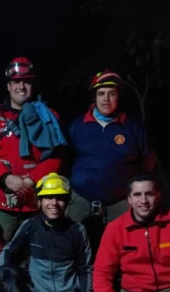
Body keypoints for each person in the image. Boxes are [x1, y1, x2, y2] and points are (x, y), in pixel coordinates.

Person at [0, 57, 64, 243]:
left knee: (36, 257)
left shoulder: (48, 115)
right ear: (8, 86)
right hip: (1, 204)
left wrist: (31, 180)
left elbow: (56, 157)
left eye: (27, 81)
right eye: (16, 81)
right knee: (0, 256)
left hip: (37, 202)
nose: (21, 86)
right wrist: (6, 178)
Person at [66, 70, 156, 252]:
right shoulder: (77, 126)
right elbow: (65, 159)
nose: (106, 99)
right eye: (101, 94)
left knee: (125, 249)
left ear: (119, 97)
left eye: (111, 93)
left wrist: (137, 195)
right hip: (81, 201)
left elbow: (148, 162)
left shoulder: (133, 127)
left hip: (120, 203)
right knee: (74, 247)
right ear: (94, 97)